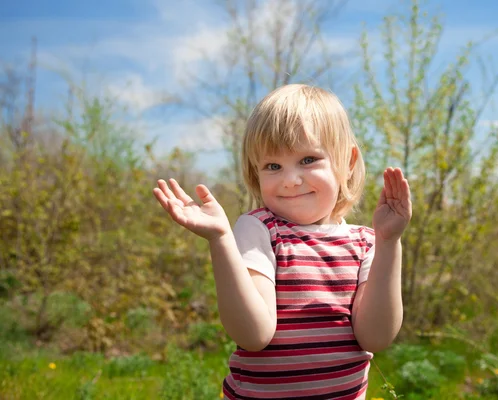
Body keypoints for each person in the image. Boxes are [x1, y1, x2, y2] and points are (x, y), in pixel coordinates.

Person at [153, 84, 412, 399]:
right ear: (256, 173)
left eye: (307, 159)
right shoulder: (259, 229)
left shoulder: (368, 242)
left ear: (347, 161)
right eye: (273, 166)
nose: (291, 179)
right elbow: (254, 335)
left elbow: (375, 337)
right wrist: (220, 239)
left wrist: (389, 242)